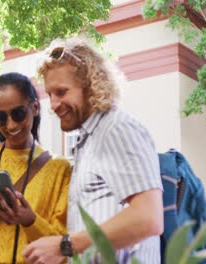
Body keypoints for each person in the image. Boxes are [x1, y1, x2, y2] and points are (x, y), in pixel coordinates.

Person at [22, 38, 164, 263]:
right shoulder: (89, 140)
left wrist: (64, 246)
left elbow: (148, 218)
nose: (54, 104)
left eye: (61, 92)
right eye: (50, 94)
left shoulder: (116, 129)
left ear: (90, 86)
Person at [0, 72, 71, 263]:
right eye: (0, 117)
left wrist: (30, 220)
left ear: (34, 108)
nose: (10, 125)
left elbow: (63, 248)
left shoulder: (59, 169)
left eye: (18, 114)